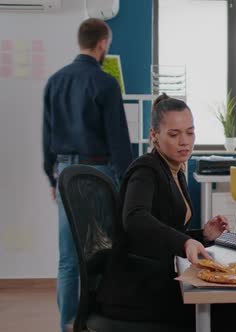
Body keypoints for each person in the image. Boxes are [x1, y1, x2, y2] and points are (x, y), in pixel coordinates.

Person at [96, 94, 236, 331]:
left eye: (190, 132)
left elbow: (166, 231)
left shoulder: (174, 170)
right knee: (234, 303)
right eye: (174, 134)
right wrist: (185, 241)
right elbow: (135, 218)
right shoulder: (145, 170)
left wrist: (202, 235)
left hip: (156, 278)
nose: (184, 141)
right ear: (154, 135)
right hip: (136, 291)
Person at [42, 18, 132, 331]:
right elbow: (118, 139)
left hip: (66, 173)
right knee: (102, 251)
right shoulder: (106, 83)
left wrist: (53, 179)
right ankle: (96, 321)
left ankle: (67, 323)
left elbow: (47, 135)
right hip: (99, 174)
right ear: (103, 43)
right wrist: (126, 181)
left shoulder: (55, 81)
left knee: (68, 257)